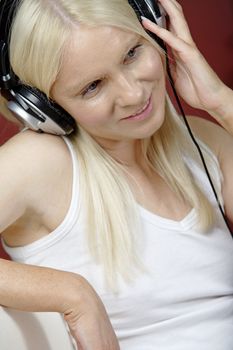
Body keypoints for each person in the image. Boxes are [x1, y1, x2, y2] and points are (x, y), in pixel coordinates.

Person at [0, 0, 233, 349]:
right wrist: (72, 294)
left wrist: (220, 102)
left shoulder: (203, 140)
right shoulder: (42, 163)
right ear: (46, 108)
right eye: (92, 86)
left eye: (132, 54)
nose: (133, 94)